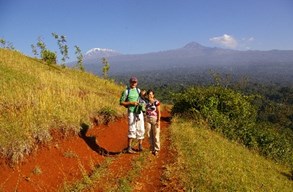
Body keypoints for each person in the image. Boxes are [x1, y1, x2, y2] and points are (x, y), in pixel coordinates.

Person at [120, 77, 145, 153]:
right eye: (132, 82)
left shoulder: (138, 90)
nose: (133, 83)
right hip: (131, 111)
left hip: (138, 111)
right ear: (130, 82)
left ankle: (140, 146)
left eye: (135, 82)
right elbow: (121, 102)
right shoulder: (126, 91)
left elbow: (142, 99)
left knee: (141, 128)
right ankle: (129, 147)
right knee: (132, 128)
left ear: (137, 83)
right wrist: (131, 103)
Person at [145, 89, 161, 156]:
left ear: (153, 95)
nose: (150, 95)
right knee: (149, 134)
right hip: (148, 119)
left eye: (151, 94)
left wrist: (158, 121)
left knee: (156, 135)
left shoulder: (156, 102)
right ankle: (151, 148)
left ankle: (156, 149)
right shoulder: (146, 103)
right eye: (149, 94)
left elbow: (159, 112)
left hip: (155, 119)